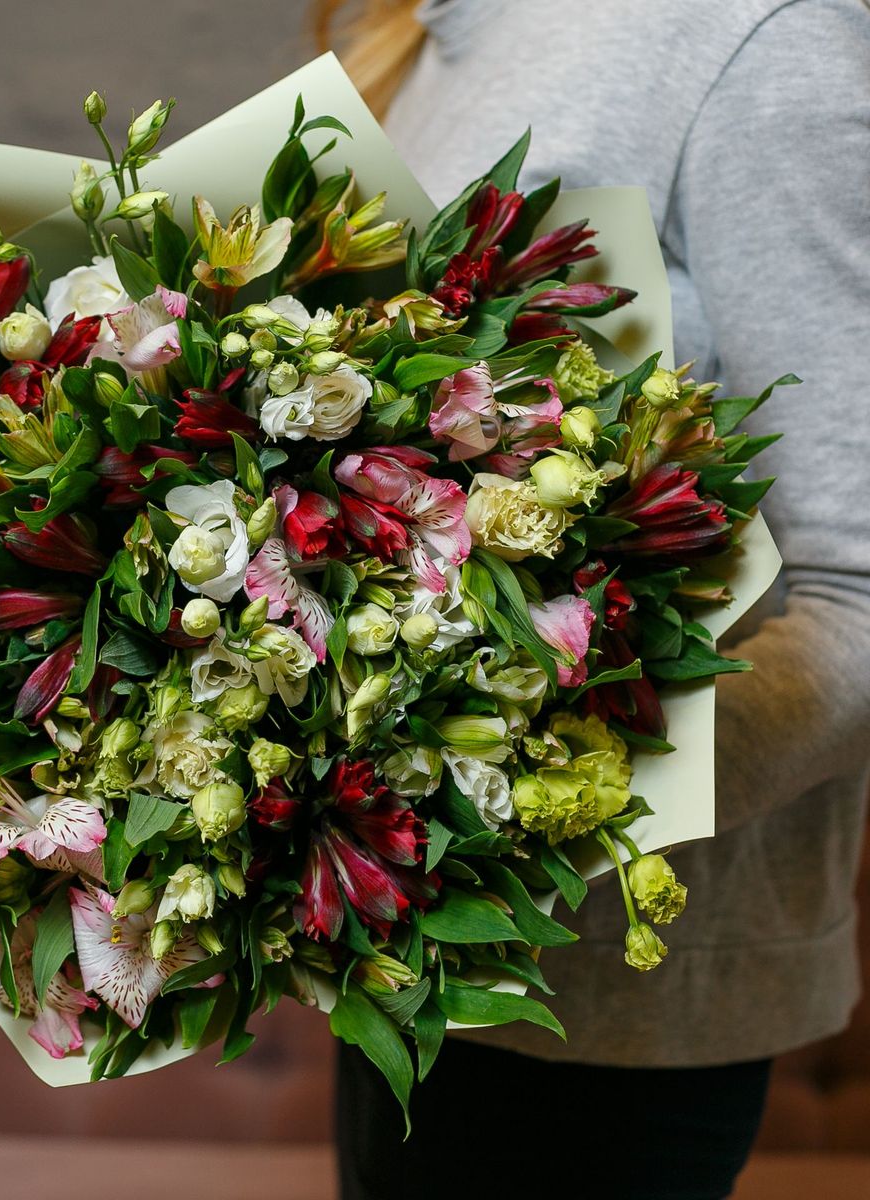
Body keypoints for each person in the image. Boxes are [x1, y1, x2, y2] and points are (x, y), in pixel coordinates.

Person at [315, 1, 870, 1196]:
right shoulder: (418, 29)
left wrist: (514, 809)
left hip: (618, 1009)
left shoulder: (761, 37)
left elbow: (858, 602)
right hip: (391, 960)